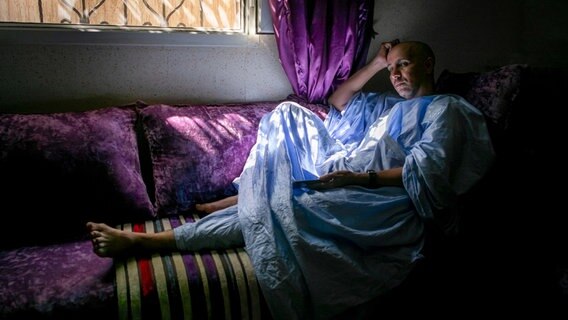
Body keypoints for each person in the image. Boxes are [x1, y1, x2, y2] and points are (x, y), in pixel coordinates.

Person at [87, 40, 494, 319]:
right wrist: (374, 64)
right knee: (287, 114)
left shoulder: (447, 110)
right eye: (392, 69)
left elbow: (426, 174)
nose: (397, 75)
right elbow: (338, 100)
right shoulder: (387, 105)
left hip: (380, 199)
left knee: (287, 204)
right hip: (345, 172)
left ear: (427, 64)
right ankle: (243, 197)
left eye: (403, 64)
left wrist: (362, 178)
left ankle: (144, 241)